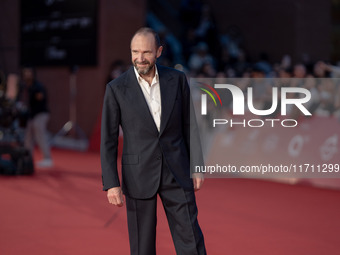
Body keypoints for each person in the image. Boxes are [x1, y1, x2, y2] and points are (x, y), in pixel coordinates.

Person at [101, 27, 207, 255]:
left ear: (158, 51)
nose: (140, 59)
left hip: (177, 171)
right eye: (135, 52)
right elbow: (108, 140)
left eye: (146, 52)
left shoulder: (177, 80)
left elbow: (190, 124)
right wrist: (111, 183)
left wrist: (197, 165)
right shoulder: (116, 88)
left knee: (192, 241)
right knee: (142, 247)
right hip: (138, 174)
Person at [19, 67, 53, 168]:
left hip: (40, 114)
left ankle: (47, 158)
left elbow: (41, 98)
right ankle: (27, 158)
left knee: (39, 134)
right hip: (32, 115)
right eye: (25, 73)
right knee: (28, 136)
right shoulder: (26, 87)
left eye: (29, 73)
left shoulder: (37, 86)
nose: (27, 75)